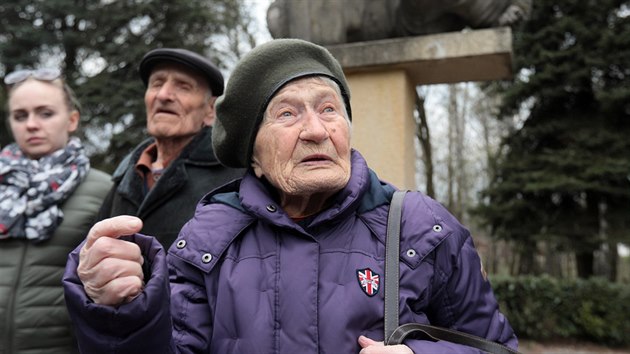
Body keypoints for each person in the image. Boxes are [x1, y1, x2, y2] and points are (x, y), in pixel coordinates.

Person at [63, 39, 518, 353]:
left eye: (329, 109)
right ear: (252, 154)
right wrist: (119, 313)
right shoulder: (205, 241)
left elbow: (495, 347)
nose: (317, 130)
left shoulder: (423, 227)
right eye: (286, 113)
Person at [0, 68, 112, 353]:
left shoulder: (103, 189)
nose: (32, 125)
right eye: (20, 116)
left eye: (45, 113)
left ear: (72, 119)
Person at [95, 48, 244, 248]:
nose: (164, 95)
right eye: (157, 84)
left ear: (210, 110)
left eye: (183, 86)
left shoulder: (235, 176)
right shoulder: (124, 176)